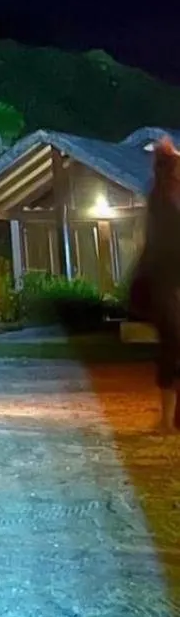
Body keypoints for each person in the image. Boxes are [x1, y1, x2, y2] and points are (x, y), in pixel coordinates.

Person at [139, 136, 180, 433]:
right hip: (164, 283)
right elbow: (166, 246)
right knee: (172, 345)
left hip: (170, 282)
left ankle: (171, 419)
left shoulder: (170, 198)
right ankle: (166, 420)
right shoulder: (162, 201)